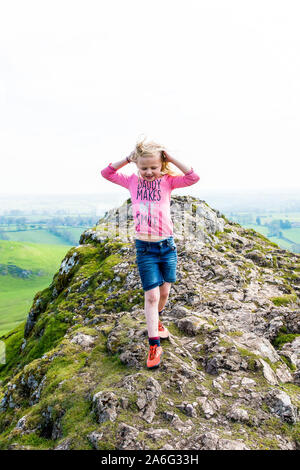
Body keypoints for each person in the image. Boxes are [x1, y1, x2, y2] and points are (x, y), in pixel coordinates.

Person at [101, 136, 200, 369]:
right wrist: (127, 159)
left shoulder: (168, 182)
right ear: (137, 166)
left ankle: (157, 322)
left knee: (164, 293)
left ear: (161, 165)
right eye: (144, 167)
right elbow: (106, 173)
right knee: (152, 296)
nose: (148, 172)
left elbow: (193, 177)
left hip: (166, 247)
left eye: (154, 167)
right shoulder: (131, 182)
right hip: (144, 248)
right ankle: (154, 344)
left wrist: (171, 157)